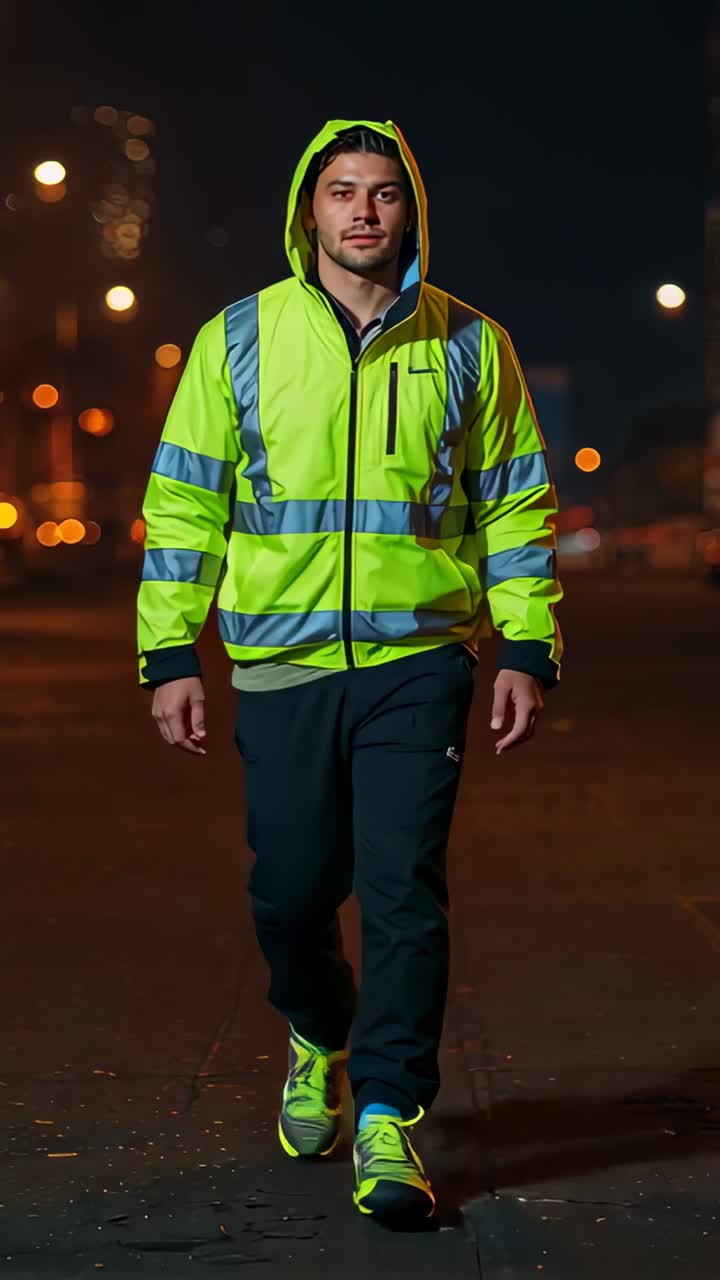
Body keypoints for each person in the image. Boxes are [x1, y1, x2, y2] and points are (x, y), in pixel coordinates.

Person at [137, 118, 563, 1226]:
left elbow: (512, 502)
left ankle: (389, 1113)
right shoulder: (239, 338)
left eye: (382, 193)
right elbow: (187, 502)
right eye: (342, 192)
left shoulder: (474, 345)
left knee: (402, 888)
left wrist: (526, 641)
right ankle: (318, 1030)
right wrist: (171, 647)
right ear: (308, 212)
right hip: (279, 664)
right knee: (288, 890)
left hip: (420, 661)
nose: (363, 211)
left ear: (408, 212)